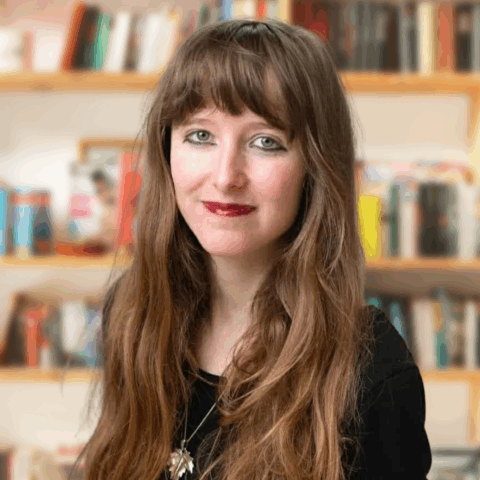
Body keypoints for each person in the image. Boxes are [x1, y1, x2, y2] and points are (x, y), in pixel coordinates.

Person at [65, 18, 432, 480]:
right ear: (166, 149)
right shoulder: (132, 311)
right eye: (200, 135)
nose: (225, 176)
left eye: (265, 142)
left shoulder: (371, 368)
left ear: (315, 167)